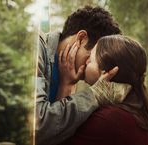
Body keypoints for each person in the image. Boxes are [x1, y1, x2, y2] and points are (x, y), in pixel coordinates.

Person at [36, 6, 130, 145]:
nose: (97, 66)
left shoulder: (70, 75)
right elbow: (38, 128)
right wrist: (94, 95)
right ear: (81, 38)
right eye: (94, 56)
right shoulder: (36, 50)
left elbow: (54, 137)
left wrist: (66, 85)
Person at [60, 35, 148, 145]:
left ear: (106, 73)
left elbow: (54, 139)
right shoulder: (129, 113)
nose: (85, 61)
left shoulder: (109, 119)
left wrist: (65, 84)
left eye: (90, 59)